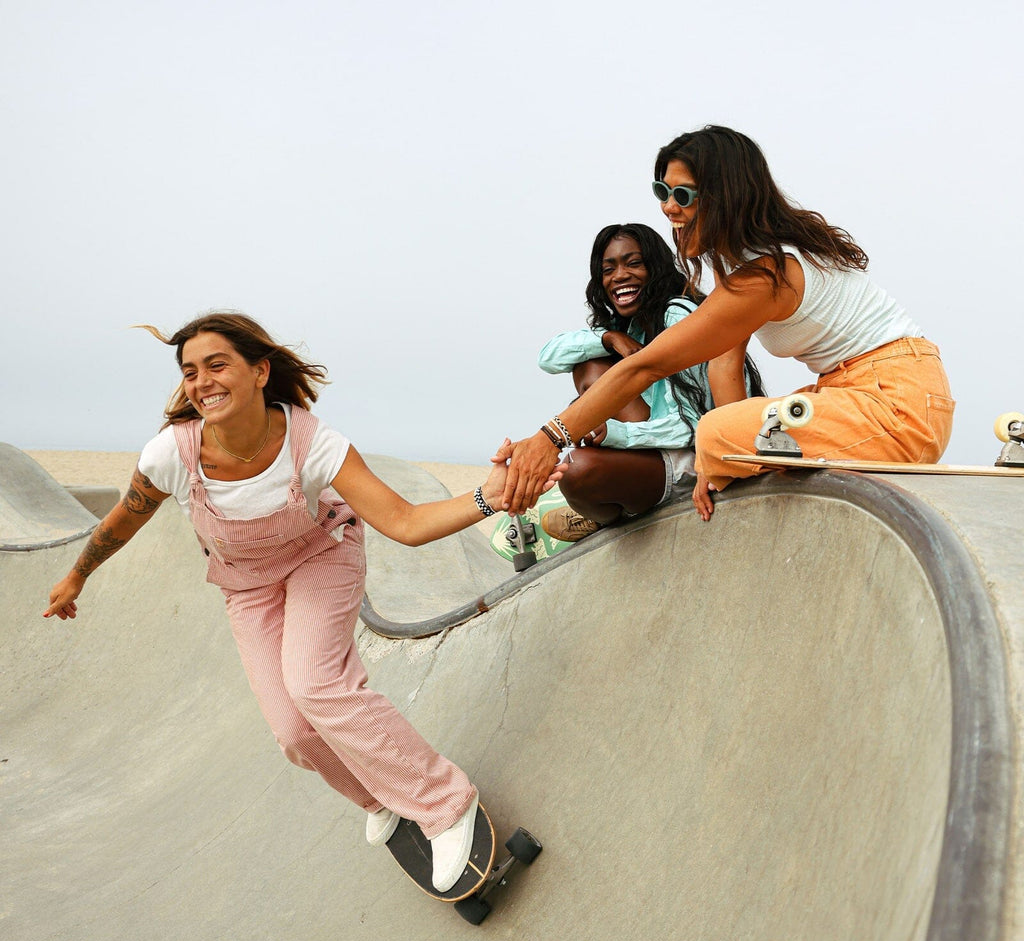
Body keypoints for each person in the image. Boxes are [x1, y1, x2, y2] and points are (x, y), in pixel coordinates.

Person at [44, 312, 518, 893]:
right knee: (294, 732)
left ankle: (446, 804)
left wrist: (486, 497)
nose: (202, 381)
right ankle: (382, 799)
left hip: (322, 556)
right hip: (247, 584)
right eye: (190, 371)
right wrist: (77, 576)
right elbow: (123, 520)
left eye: (217, 365)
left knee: (317, 684)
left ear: (260, 371)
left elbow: (405, 520)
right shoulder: (173, 453)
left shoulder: (314, 444)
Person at [503, 126, 954, 521]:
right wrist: (720, 457)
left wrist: (549, 438)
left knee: (715, 435)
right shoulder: (741, 263)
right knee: (719, 435)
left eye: (683, 195)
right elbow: (723, 367)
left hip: (900, 406)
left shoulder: (766, 277)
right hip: (851, 390)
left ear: (724, 196)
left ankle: (675, 484)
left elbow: (647, 366)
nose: (668, 208)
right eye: (662, 192)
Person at [536, 223, 764, 541]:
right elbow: (549, 357)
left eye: (633, 263)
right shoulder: (627, 325)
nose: (620, 276)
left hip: (697, 455)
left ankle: (606, 513)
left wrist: (615, 433)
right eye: (608, 268)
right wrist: (608, 338)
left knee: (577, 471)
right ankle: (607, 504)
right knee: (591, 364)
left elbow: (691, 426)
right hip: (656, 447)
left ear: (654, 268)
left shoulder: (676, 317)